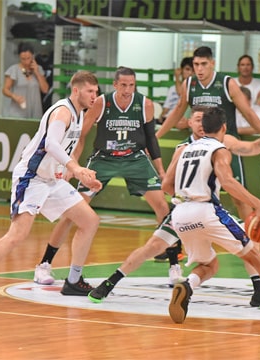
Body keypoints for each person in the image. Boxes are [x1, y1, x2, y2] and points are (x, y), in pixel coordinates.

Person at [88, 106, 260, 306]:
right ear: (190, 123)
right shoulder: (184, 147)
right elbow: (169, 185)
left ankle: (259, 291)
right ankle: (110, 282)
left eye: (203, 119)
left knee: (247, 243)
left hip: (187, 211)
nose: (201, 124)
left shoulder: (221, 141)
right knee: (153, 246)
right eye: (196, 119)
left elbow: (252, 148)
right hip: (195, 207)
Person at [0, 71, 103, 302]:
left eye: (96, 91)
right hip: (31, 178)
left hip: (52, 180)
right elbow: (51, 143)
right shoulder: (63, 111)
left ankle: (73, 280)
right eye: (90, 91)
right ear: (76, 90)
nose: (94, 96)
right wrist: (76, 167)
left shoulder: (81, 114)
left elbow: (61, 150)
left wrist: (76, 173)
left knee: (90, 221)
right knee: (17, 235)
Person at [161, 106, 260, 324]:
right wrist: (259, 205)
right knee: (255, 256)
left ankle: (187, 285)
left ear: (203, 127)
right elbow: (228, 182)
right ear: (224, 127)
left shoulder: (184, 149)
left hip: (180, 214)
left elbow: (167, 185)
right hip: (205, 210)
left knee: (209, 265)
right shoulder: (220, 149)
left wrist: (188, 193)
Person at [156, 46, 260, 300]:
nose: (200, 69)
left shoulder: (227, 84)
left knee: (244, 209)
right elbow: (177, 111)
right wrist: (156, 136)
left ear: (213, 63)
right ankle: (177, 249)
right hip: (197, 148)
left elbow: (248, 111)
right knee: (184, 195)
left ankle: (258, 285)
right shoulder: (190, 83)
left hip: (224, 146)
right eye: (196, 64)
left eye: (204, 64)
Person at [31, 67, 170, 289]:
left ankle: (174, 267)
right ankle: (44, 264)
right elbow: (81, 135)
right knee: (72, 211)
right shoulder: (101, 103)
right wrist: (73, 165)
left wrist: (160, 169)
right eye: (123, 85)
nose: (127, 90)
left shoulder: (145, 104)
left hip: (134, 158)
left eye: (131, 85)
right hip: (104, 159)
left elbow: (151, 139)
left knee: (163, 206)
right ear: (115, 85)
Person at [2, 42, 49, 119]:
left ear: (33, 56)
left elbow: (45, 89)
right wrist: (15, 96)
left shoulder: (39, 69)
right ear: (19, 57)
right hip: (18, 112)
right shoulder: (14, 70)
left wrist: (37, 72)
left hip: (35, 111)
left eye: (28, 58)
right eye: (23, 59)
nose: (26, 61)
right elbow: (5, 90)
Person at [159, 57, 193, 128]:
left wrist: (177, 78)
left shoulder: (194, 88)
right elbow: (167, 107)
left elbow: (181, 93)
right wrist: (161, 116)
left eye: (192, 71)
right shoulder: (172, 89)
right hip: (169, 117)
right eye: (187, 69)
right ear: (181, 70)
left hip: (182, 119)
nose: (190, 73)